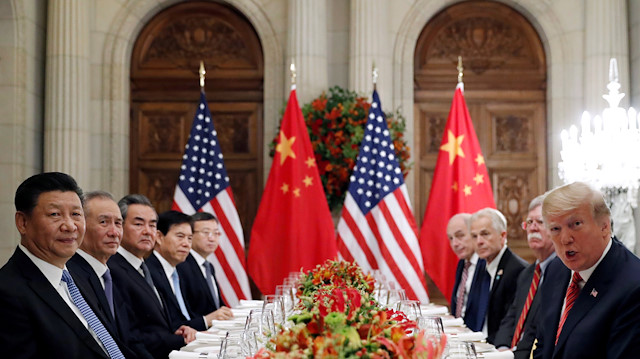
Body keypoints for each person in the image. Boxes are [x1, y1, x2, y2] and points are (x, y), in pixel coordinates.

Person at [0, 172, 129, 358]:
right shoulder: (8, 292)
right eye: (55, 214)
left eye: (76, 214)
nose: (70, 226)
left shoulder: (79, 276)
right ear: (23, 222)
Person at [533, 182, 640, 358]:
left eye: (575, 224)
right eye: (555, 229)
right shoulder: (556, 269)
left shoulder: (633, 286)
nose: (565, 239)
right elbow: (544, 346)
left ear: (604, 226)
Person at [108, 194, 196, 359]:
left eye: (152, 225)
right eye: (139, 224)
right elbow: (131, 337)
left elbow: (153, 324)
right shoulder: (112, 269)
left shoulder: (143, 266)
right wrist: (179, 341)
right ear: (120, 226)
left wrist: (179, 333)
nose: (148, 231)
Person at [67, 191, 152, 359]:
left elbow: (127, 338)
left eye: (118, 223)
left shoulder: (109, 274)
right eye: (104, 222)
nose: (114, 232)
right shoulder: (70, 276)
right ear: (81, 226)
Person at [493, 195, 556, 358]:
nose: (533, 228)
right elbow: (511, 317)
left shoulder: (562, 274)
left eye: (540, 222)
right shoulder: (527, 274)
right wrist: (501, 348)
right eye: (529, 222)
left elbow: (540, 330)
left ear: (555, 228)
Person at [146, 210, 227, 330]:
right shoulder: (149, 272)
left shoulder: (174, 271)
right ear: (159, 237)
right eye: (180, 237)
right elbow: (166, 327)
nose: (186, 244)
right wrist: (205, 321)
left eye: (189, 238)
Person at [468, 207, 527, 344]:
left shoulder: (518, 270)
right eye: (474, 236)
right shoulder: (483, 266)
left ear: (503, 235)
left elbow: (510, 324)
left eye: (485, 234)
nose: (479, 241)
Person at [177, 212, 233, 319]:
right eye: (206, 232)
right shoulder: (181, 265)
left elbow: (217, 306)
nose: (212, 238)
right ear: (191, 235)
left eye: (216, 233)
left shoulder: (209, 267)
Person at [447, 212, 489, 332]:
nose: (454, 244)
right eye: (451, 238)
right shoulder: (462, 264)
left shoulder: (486, 263)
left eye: (460, 236)